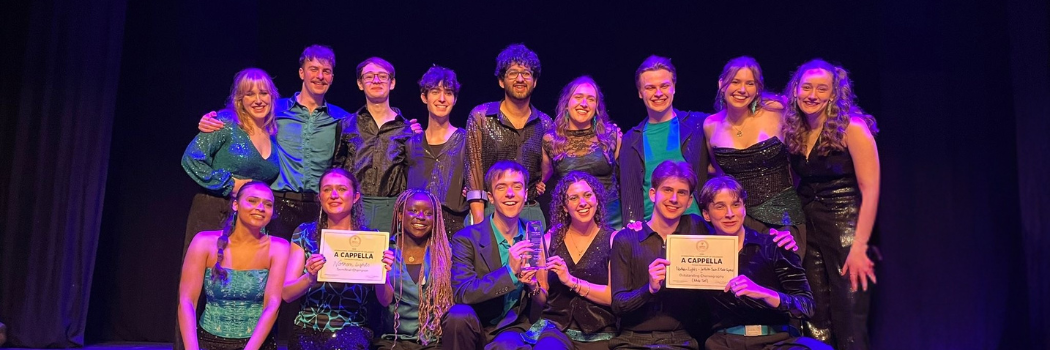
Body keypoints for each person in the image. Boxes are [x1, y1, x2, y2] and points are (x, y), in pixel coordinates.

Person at [197, 45, 351, 239]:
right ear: (301, 73)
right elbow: (240, 115)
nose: (320, 76)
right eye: (314, 69)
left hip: (318, 207)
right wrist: (211, 119)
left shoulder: (342, 119)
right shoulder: (273, 109)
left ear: (332, 78)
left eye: (326, 71)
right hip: (277, 203)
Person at [178, 67, 281, 350]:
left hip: (250, 217)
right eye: (250, 94)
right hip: (215, 210)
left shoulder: (271, 132)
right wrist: (228, 184)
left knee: (246, 293)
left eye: (263, 93)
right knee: (200, 293)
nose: (258, 99)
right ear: (239, 99)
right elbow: (192, 159)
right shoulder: (224, 123)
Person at [783, 59, 880, 350]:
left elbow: (871, 188)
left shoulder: (853, 127)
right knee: (815, 319)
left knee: (849, 319)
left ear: (834, 94)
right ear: (796, 90)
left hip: (845, 228)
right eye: (807, 87)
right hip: (809, 228)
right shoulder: (796, 129)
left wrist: (860, 246)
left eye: (821, 89)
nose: (812, 95)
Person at [698, 176, 829, 350]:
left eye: (736, 205)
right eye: (720, 206)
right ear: (706, 214)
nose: (729, 214)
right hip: (725, 343)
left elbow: (806, 306)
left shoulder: (775, 246)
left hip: (776, 341)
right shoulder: (698, 255)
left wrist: (763, 293)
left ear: (744, 208)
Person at [703, 56, 806, 256]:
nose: (742, 90)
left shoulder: (778, 112)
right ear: (721, 84)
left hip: (783, 219)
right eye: (735, 82)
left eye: (750, 83)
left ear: (757, 88)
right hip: (739, 222)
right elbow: (720, 174)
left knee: (782, 281)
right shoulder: (711, 125)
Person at [444, 160, 544, 350]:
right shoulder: (467, 238)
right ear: (490, 197)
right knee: (458, 315)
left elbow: (539, 304)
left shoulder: (534, 235)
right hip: (476, 324)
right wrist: (509, 271)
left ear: (525, 195)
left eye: (517, 186)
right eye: (501, 187)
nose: (510, 194)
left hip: (512, 328)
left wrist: (533, 287)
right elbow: (462, 293)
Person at [178, 181, 289, 350]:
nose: (260, 207)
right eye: (252, 200)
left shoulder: (278, 248)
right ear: (236, 205)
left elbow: (272, 305)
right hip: (208, 342)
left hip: (257, 345)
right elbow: (187, 301)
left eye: (268, 204)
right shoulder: (204, 242)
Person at [282, 168, 377, 350]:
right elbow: (287, 294)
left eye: (341, 189)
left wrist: (383, 273)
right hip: (306, 330)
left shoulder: (370, 239)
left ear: (355, 196)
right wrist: (309, 278)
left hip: (352, 332)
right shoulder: (304, 233)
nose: (334, 195)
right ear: (319, 197)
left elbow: (385, 299)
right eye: (327, 189)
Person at [465, 44, 553, 231]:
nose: (520, 79)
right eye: (513, 73)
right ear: (501, 81)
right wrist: (480, 222)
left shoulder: (545, 123)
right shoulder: (481, 116)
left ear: (534, 81)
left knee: (534, 261)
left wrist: (542, 183)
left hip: (529, 212)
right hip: (489, 211)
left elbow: (550, 169)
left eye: (526, 73)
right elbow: (473, 169)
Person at [332, 57, 426, 231]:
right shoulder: (346, 125)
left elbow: (414, 175)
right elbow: (337, 169)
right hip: (353, 206)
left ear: (392, 83)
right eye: (369, 76)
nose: (376, 80)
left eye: (382, 76)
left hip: (391, 209)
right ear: (360, 84)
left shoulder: (408, 129)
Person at [529, 171, 617, 350]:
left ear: (597, 199)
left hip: (600, 331)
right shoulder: (548, 240)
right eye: (574, 198)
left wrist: (571, 281)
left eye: (587, 195)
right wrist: (533, 286)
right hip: (556, 329)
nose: (582, 203)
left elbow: (612, 297)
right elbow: (542, 297)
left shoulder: (612, 240)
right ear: (564, 207)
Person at [618, 55, 709, 225]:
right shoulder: (631, 139)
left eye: (664, 86)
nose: (658, 93)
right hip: (650, 229)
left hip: (695, 226)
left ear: (674, 87)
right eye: (650, 87)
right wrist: (632, 229)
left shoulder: (698, 125)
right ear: (640, 92)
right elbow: (629, 190)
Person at [372, 189, 455, 349]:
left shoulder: (445, 253)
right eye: (413, 211)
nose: (421, 217)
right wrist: (381, 274)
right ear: (401, 215)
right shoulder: (385, 250)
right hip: (393, 340)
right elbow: (384, 300)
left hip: (434, 342)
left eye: (428, 213)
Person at [541, 76, 623, 230]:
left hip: (611, 220)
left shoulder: (611, 135)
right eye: (578, 97)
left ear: (597, 106)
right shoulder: (551, 140)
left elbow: (623, 179)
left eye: (590, 99)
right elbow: (542, 181)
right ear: (566, 103)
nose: (584, 104)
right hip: (571, 222)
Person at [417, 66, 469, 238]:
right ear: (424, 97)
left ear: (455, 99)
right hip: (416, 226)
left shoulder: (465, 140)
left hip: (454, 229)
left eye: (448, 93)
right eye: (435, 91)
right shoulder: (411, 143)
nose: (442, 99)